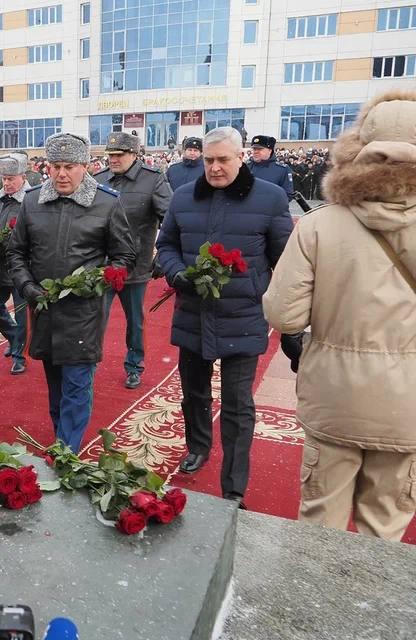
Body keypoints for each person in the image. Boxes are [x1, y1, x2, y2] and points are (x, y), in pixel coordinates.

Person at [263, 90, 416, 541]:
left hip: (334, 394)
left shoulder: (319, 224)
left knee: (320, 526)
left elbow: (284, 314)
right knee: (384, 530)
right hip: (407, 403)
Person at [155, 126, 293, 507]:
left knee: (237, 404)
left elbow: (285, 259)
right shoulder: (184, 197)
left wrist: (288, 312)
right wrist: (175, 272)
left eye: (223, 160)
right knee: (194, 394)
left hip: (243, 316)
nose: (214, 168)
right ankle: (198, 445)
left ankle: (234, 485)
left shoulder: (270, 197)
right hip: (193, 313)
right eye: (209, 160)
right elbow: (165, 244)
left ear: (241, 156)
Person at [8, 133, 137, 452]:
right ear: (47, 168)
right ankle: (61, 443)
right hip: (44, 308)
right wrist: (27, 286)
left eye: (69, 166)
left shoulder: (107, 202)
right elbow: (16, 252)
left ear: (86, 167)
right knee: (55, 383)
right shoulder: (32, 200)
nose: (62, 174)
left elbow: (125, 256)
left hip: (83, 312)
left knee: (77, 385)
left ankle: (67, 452)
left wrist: (96, 282)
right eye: (55, 166)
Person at [94, 132, 173, 389]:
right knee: (94, 318)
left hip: (136, 266)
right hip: (102, 264)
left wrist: (165, 252)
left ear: (133, 154)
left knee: (135, 322)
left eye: (119, 155)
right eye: (110, 155)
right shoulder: (98, 179)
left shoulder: (153, 180)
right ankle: (89, 362)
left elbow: (170, 219)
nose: (113, 160)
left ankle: (134, 365)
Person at [0, 154, 31, 375]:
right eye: (4, 178)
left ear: (23, 176)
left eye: (11, 178)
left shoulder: (32, 200)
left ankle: (19, 355)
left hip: (23, 268)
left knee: (22, 314)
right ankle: (14, 338)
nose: (7, 183)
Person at [246, 135, 295, 201]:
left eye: (260, 149)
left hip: (270, 209)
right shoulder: (246, 167)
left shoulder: (282, 169)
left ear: (270, 150)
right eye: (254, 149)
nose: (256, 151)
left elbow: (288, 195)